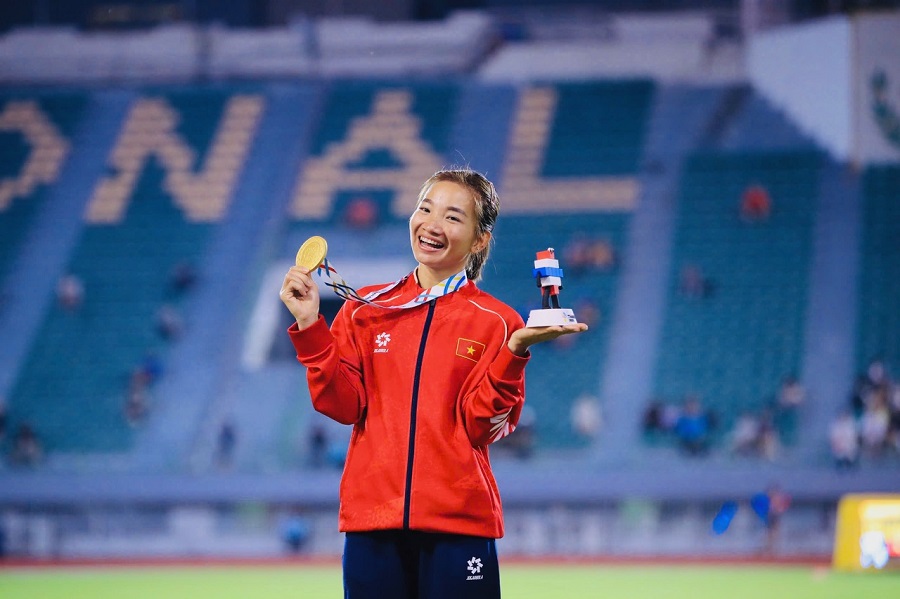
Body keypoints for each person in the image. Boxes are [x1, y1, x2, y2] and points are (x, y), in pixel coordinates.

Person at [279, 168, 587, 599]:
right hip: (373, 524)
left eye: (453, 217)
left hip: (458, 526)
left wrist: (515, 351)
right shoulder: (365, 309)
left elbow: (483, 427)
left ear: (479, 240)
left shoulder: (498, 322)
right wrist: (311, 325)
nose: (432, 224)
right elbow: (342, 406)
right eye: (425, 209)